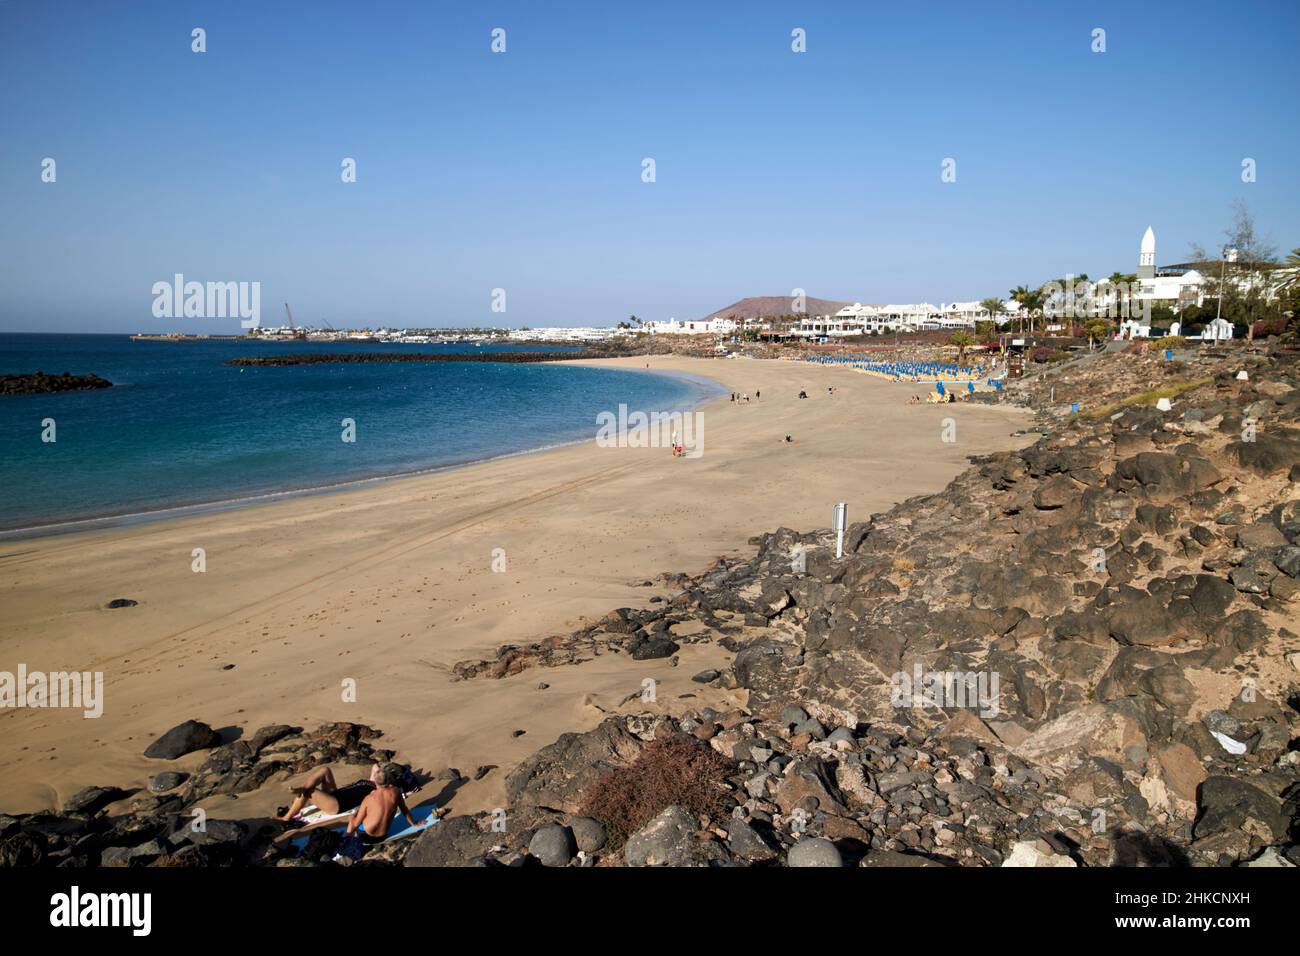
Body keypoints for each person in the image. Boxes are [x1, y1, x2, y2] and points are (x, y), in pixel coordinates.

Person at [344, 766, 422, 845]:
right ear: (389, 780)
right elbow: (404, 810)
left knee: (354, 815)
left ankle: (347, 839)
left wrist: (351, 817)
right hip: (383, 836)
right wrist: (414, 823)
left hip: (366, 837)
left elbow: (356, 823)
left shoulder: (368, 798)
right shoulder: (396, 791)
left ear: (375, 782)